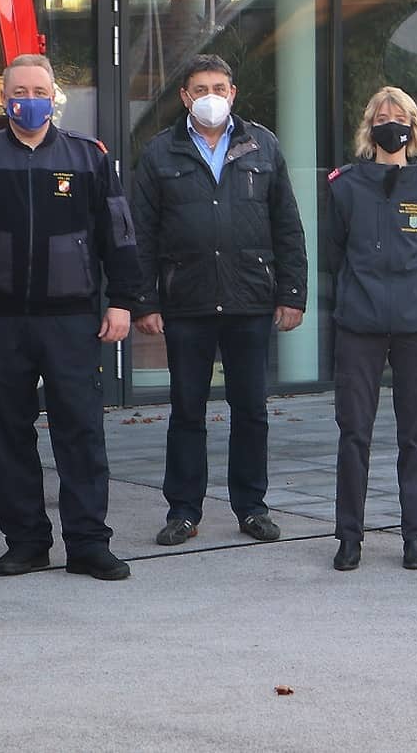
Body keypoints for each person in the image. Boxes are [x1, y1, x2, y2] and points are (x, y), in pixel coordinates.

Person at [0, 54, 142, 581]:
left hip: (71, 321)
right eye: (19, 90)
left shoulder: (87, 157)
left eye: (39, 89)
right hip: (0, 321)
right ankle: (25, 542)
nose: (30, 98)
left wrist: (123, 299)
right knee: (8, 435)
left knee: (81, 433)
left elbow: (120, 233)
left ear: (53, 97)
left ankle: (89, 542)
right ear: (3, 99)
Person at [131, 54, 307, 547]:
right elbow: (141, 234)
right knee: (187, 410)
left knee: (250, 410)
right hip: (186, 301)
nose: (212, 95)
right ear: (185, 96)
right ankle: (184, 510)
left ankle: (252, 507)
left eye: (220, 87)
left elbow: (287, 225)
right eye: (200, 87)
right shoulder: (160, 152)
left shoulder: (263, 145)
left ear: (233, 92)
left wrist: (292, 292)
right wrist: (144, 301)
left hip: (250, 299)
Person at [326, 87, 417, 571]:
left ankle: (414, 537)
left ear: (413, 126)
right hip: (360, 324)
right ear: (369, 126)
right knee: (354, 433)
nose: (391, 122)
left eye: (400, 115)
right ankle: (349, 538)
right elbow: (336, 253)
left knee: (415, 436)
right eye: (382, 115)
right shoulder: (344, 184)